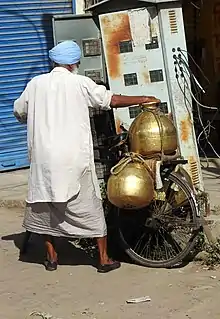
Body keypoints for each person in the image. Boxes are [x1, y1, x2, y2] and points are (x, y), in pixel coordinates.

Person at [13, 40, 160, 273]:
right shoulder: (80, 83)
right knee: (89, 207)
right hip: (73, 158)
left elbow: (19, 110)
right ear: (74, 63)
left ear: (55, 62)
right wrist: (143, 99)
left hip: (43, 159)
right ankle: (103, 259)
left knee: (46, 208)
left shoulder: (35, 84)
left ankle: (51, 257)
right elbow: (110, 100)